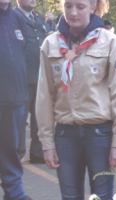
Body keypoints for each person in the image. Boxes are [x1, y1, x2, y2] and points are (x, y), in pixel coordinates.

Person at [35, 0, 116, 199]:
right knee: (69, 196)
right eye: (68, 6)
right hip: (65, 135)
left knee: (102, 196)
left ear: (92, 7)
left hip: (100, 135)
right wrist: (47, 143)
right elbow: (44, 96)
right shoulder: (50, 44)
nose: (73, 12)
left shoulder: (110, 42)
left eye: (80, 6)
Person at [0, 0, 32, 199]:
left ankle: (14, 192)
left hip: (16, 98)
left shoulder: (18, 18)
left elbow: (23, 53)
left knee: (12, 150)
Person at [15, 0, 47, 163]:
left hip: (39, 76)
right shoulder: (12, 17)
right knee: (19, 118)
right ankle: (16, 153)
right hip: (22, 77)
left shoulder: (38, 17)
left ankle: (37, 153)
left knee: (38, 116)